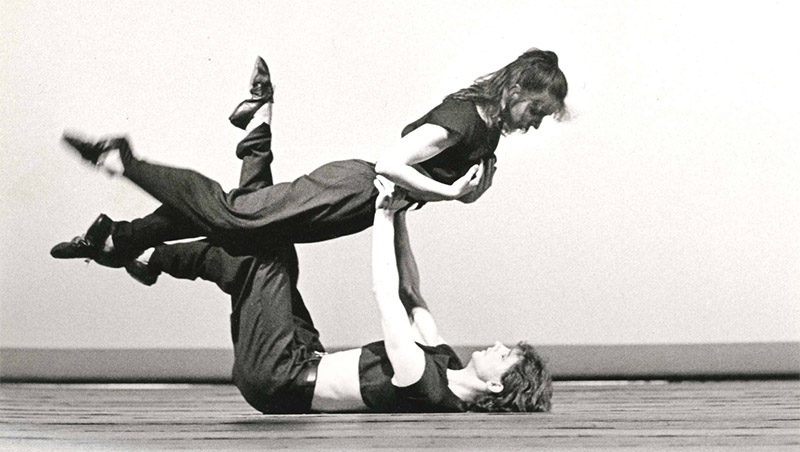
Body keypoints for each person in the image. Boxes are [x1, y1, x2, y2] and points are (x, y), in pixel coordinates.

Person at [52, 49, 568, 269]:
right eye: (536, 110)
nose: (535, 122)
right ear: (517, 87)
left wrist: (453, 193)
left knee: (247, 227)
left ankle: (119, 239)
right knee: (233, 214)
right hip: (354, 188)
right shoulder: (464, 120)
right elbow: (391, 164)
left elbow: (414, 185)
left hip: (359, 207)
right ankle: (124, 161)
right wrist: (453, 194)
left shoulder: (487, 132)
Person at [119, 179, 552, 413]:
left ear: (496, 384)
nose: (498, 344)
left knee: (265, 258)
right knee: (273, 249)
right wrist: (401, 216)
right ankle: (153, 257)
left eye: (505, 354)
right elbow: (409, 291)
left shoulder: (427, 385)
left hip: (276, 380)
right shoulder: (445, 361)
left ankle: (151, 252)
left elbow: (386, 295)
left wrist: (382, 215)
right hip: (304, 357)